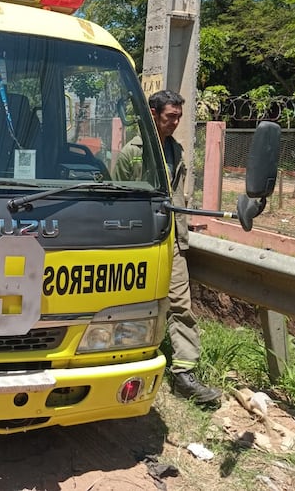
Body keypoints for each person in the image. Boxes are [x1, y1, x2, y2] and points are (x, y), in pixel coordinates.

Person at [112, 89, 221, 404]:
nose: (175, 122)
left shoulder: (176, 151)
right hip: (137, 242)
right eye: (169, 117)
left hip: (171, 239)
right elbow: (118, 200)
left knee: (180, 303)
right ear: (153, 114)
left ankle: (185, 371)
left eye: (178, 117)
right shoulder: (133, 153)